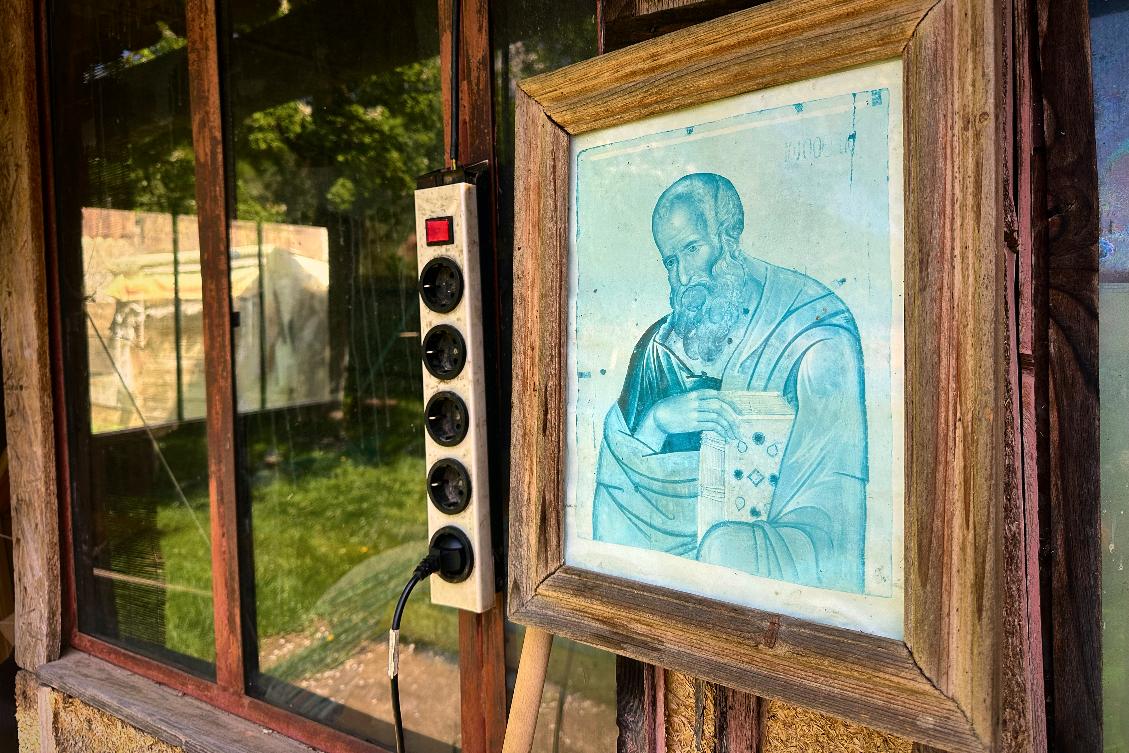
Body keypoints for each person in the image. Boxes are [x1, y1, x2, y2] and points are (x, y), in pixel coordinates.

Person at [591, 173, 869, 593]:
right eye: (670, 260)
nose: (683, 274)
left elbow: (828, 521)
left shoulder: (814, 334)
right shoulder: (659, 346)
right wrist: (657, 422)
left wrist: (725, 548)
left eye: (691, 248)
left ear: (728, 237)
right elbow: (620, 489)